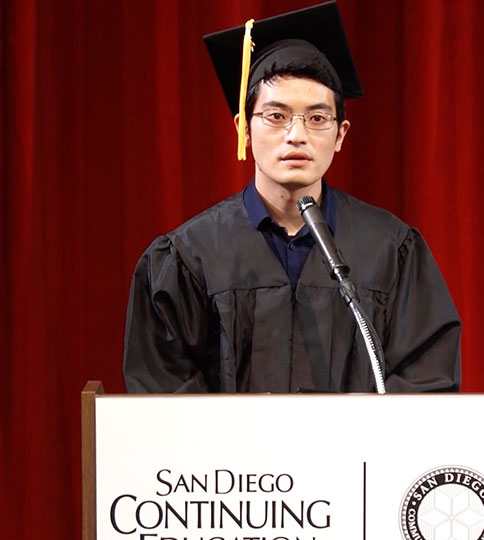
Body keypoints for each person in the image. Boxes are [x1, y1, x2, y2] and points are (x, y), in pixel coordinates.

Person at [123, 1, 461, 393]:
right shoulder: (187, 257)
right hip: (227, 456)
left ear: (340, 135)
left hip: (357, 456)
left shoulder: (392, 250)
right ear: (244, 129)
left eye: (317, 118)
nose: (296, 135)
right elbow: (163, 401)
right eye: (276, 116)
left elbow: (425, 386)